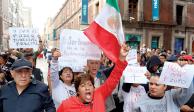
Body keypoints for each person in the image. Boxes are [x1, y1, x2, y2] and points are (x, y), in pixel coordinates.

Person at [57, 44, 129, 112]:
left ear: (94, 88)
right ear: (77, 91)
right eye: (83, 85)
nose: (87, 88)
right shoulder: (67, 105)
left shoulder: (99, 94)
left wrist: (122, 57)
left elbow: (114, 78)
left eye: (90, 85)